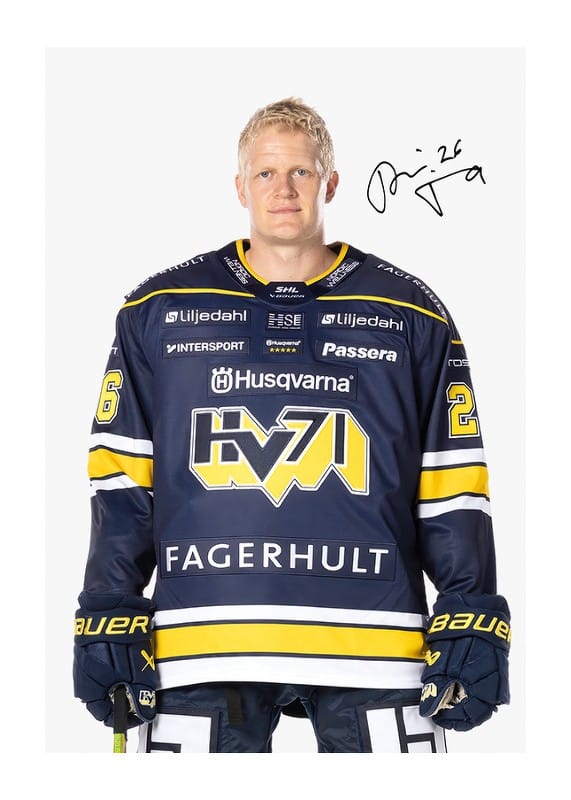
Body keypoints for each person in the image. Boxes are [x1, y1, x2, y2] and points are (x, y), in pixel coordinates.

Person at [73, 97, 511, 753]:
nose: (283, 190)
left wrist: (470, 611)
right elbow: (122, 479)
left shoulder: (411, 311)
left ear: (329, 182)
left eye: (300, 172)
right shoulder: (158, 308)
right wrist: (110, 607)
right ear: (240, 186)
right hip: (201, 639)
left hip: (377, 644)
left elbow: (452, 481)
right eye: (266, 173)